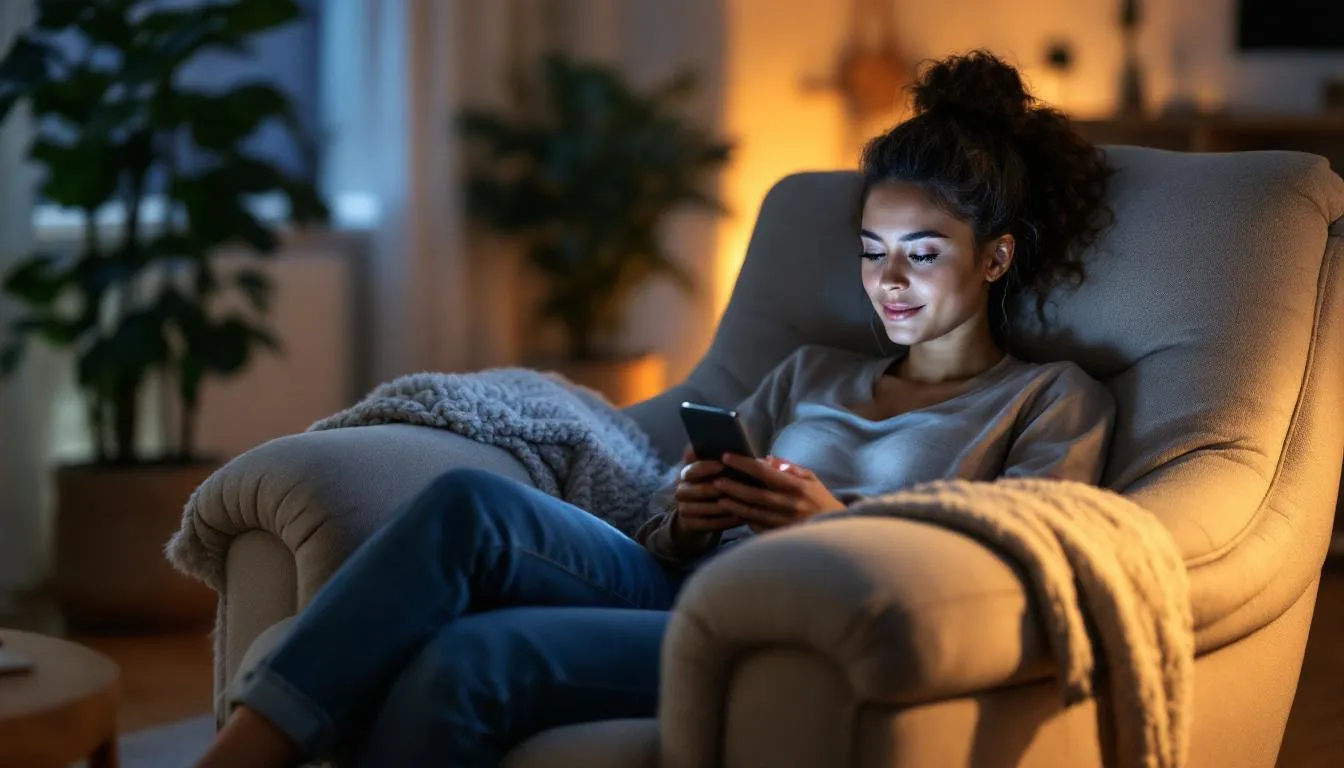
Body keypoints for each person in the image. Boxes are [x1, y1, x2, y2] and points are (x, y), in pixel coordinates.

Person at [193, 49, 1117, 768]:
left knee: (474, 656)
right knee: (463, 505)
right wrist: (684, 513)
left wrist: (834, 525)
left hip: (780, 623)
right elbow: (665, 517)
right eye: (874, 251)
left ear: (994, 258)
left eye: (923, 251)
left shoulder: (1049, 400)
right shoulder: (809, 372)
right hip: (680, 579)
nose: (890, 281)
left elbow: (1022, 558)